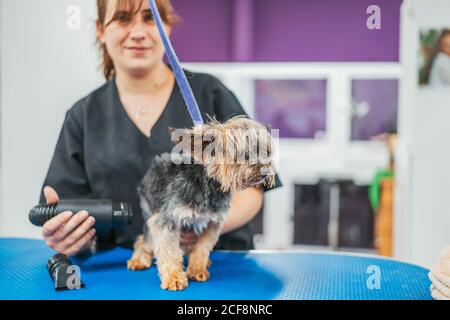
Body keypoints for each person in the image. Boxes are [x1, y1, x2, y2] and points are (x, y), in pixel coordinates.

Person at [39, 0, 281, 257]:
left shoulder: (211, 94)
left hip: (221, 262)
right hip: (124, 269)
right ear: (101, 30)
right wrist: (69, 236)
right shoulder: (83, 116)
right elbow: (69, 211)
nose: (138, 32)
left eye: (149, 18)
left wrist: (203, 225)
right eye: (122, 18)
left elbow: (256, 187)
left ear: (166, 26)